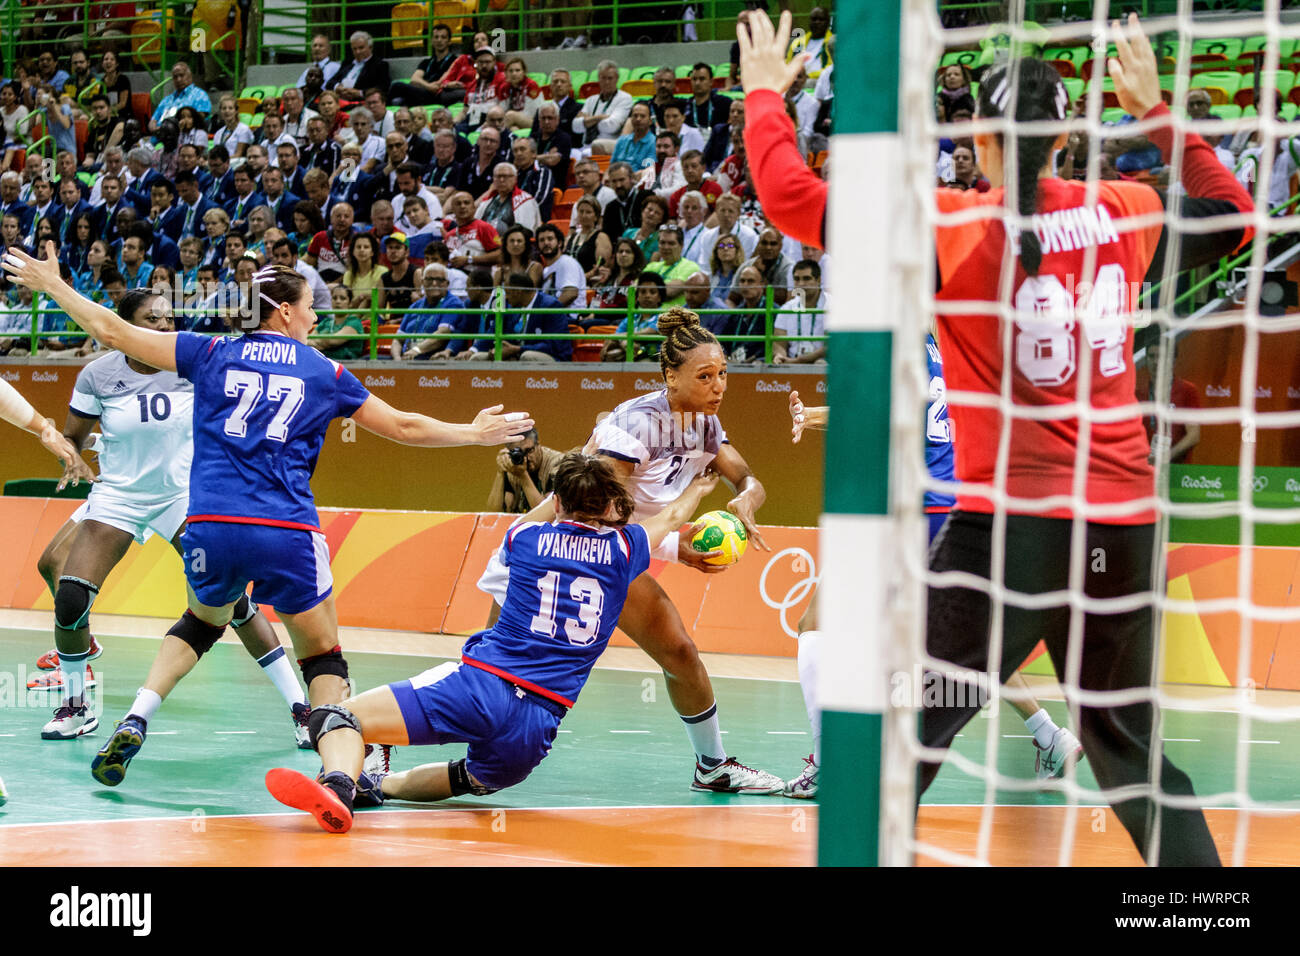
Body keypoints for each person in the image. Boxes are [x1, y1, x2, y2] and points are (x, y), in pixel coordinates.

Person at [738, 10, 1254, 864]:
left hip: (1007, 530)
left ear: (976, 135)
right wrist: (1161, 115)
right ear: (1061, 139)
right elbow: (1235, 220)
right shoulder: (1127, 209)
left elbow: (793, 200)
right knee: (1130, 756)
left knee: (907, 736)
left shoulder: (952, 225)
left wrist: (766, 94)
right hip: (1121, 526)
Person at [1, 249, 535, 788]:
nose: (316, 317)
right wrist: (473, 433)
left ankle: (137, 716)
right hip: (288, 530)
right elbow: (404, 428)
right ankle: (338, 778)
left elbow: (109, 330)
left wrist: (53, 285)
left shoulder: (209, 352)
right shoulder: (324, 370)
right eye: (309, 308)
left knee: (199, 623)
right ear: (283, 311)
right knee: (324, 657)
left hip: (211, 527)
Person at [265, 454, 718, 831]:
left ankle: (340, 783)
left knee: (335, 716)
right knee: (474, 780)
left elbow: (534, 517)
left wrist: (560, 492)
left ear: (559, 501)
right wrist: (698, 486)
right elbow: (673, 517)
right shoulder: (625, 549)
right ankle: (379, 789)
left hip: (482, 686)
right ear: (608, 507)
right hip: (538, 722)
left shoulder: (526, 538)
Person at [476, 308, 784, 792]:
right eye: (705, 376)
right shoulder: (637, 426)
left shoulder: (705, 422)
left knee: (679, 651)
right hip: (552, 547)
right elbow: (588, 510)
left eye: (724, 373)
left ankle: (713, 765)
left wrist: (747, 498)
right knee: (490, 668)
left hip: (610, 548)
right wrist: (674, 547)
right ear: (670, 377)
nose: (719, 385)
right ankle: (390, 734)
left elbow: (746, 476)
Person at [29, 288, 312, 747]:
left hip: (184, 497)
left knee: (234, 603)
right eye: (152, 318)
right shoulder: (98, 375)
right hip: (119, 495)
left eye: (168, 318)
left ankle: (301, 709)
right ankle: (78, 707)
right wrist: (73, 458)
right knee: (70, 598)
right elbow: (72, 436)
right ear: (122, 327)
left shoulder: (195, 365)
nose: (164, 326)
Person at [1142, 337, 1201, 465]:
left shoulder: (1187, 390)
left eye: (1161, 357)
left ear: (1172, 361)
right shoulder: (1139, 393)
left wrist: (1166, 456)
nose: (1156, 362)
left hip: (1177, 470)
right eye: (1151, 356)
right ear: (1146, 360)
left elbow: (1194, 435)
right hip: (1145, 468)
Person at [485, 428, 564, 514]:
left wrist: (523, 476)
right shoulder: (512, 464)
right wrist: (500, 472)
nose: (526, 458)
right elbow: (493, 513)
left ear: (538, 445)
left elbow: (548, 513)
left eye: (529, 451)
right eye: (519, 453)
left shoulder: (558, 463)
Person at [772, 258, 827, 364]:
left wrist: (799, 360)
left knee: (820, 363)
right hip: (792, 363)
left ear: (818, 280)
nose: (801, 284)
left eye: (807, 279)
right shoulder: (786, 308)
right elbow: (779, 343)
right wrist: (780, 356)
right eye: (797, 279)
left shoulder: (831, 305)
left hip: (824, 363)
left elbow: (830, 345)